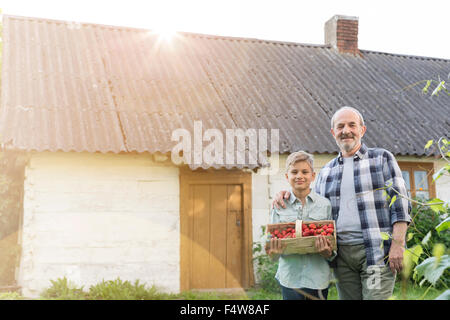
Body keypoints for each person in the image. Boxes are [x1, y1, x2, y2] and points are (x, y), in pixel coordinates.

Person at [272, 106, 411, 300]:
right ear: (333, 133)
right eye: (340, 126)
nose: (346, 130)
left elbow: (401, 205)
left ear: (362, 129)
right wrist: (286, 193)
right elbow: (312, 204)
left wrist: (398, 244)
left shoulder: (381, 159)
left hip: (375, 251)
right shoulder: (326, 171)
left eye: (352, 125)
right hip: (342, 256)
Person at [266, 151, 335, 300]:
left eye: (305, 172)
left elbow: (332, 247)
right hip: (290, 277)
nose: (299, 176)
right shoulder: (279, 205)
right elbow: (271, 246)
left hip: (318, 278)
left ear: (313, 175)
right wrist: (274, 250)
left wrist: (327, 252)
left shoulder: (325, 205)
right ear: (287, 176)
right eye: (294, 172)